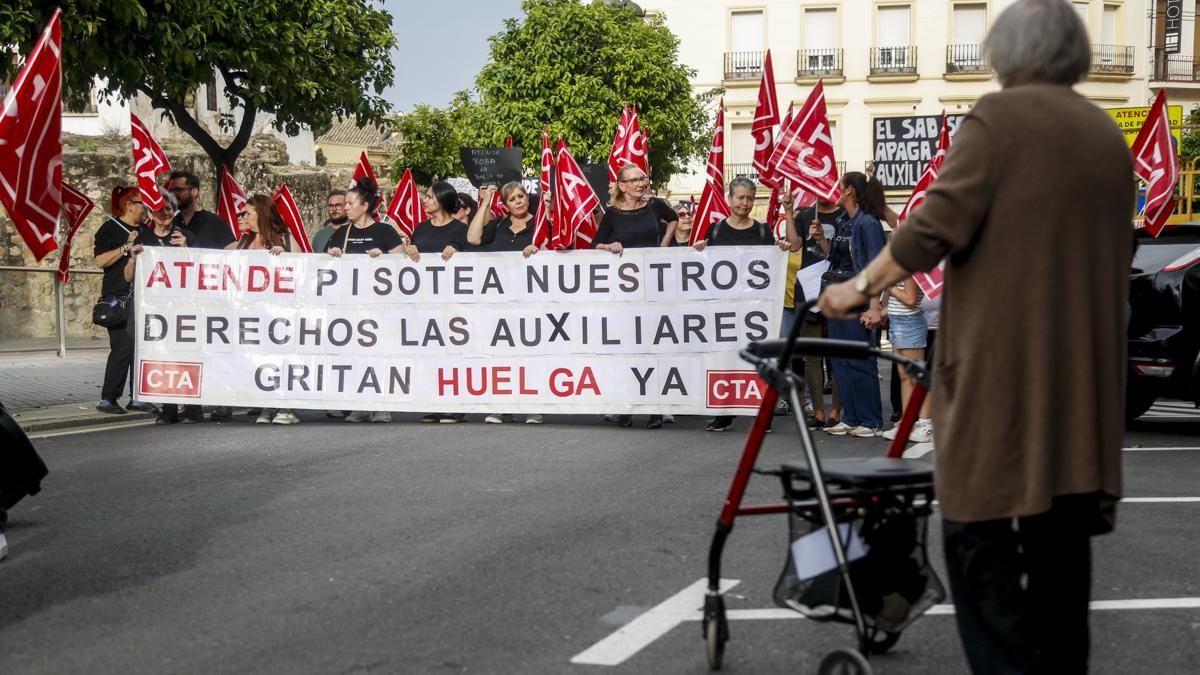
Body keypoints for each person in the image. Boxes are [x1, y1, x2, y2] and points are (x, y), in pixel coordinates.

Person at [819, 1, 1130, 672]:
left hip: (1005, 374)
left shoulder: (999, 119)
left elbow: (929, 232)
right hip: (1083, 382)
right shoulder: (1107, 136)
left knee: (976, 534)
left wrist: (854, 289)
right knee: (1060, 560)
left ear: (1009, 52)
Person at [694, 176, 790, 432]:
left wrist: (778, 248)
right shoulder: (714, 231)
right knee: (724, 360)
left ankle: (762, 414)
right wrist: (699, 250)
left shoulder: (762, 231)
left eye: (750, 198)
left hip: (754, 312)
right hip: (723, 311)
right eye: (740, 198)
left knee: (758, 361)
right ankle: (723, 414)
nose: (745, 203)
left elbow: (771, 267)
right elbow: (702, 269)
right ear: (729, 199)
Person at [595, 164, 679, 429]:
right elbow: (595, 243)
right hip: (626, 292)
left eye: (643, 178)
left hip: (655, 287)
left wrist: (664, 242)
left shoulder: (656, 206)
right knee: (628, 350)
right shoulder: (612, 214)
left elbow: (674, 218)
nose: (641, 183)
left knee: (654, 348)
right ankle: (627, 406)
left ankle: (656, 408)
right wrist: (609, 245)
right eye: (634, 180)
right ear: (621, 186)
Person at [810, 171, 887, 438]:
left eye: (839, 186)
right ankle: (851, 417)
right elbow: (834, 256)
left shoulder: (868, 223)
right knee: (840, 360)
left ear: (849, 191)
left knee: (860, 360)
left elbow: (877, 267)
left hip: (859, 299)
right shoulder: (845, 221)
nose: (834, 190)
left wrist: (874, 306)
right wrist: (821, 239)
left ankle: (871, 420)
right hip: (839, 298)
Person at [326, 178, 406, 423]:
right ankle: (360, 403)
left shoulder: (385, 232)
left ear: (365, 206)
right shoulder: (341, 234)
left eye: (350, 203)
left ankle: (382, 404)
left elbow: (403, 268)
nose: (345, 207)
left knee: (380, 355)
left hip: (380, 308)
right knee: (354, 356)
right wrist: (332, 256)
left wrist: (385, 260)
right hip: (350, 309)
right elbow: (322, 268)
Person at [469, 182, 544, 425]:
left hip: (531, 300)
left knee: (528, 355)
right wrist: (486, 203)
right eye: (512, 199)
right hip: (500, 302)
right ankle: (501, 405)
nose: (519, 201)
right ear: (506, 204)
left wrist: (539, 247)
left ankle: (533, 406)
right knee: (501, 355)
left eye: (521, 196)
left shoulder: (540, 223)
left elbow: (556, 247)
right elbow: (473, 238)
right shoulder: (500, 225)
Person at [225, 196, 302, 425]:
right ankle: (268, 404)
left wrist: (286, 258)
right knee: (261, 359)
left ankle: (287, 405)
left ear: (262, 214)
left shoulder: (286, 240)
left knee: (282, 358)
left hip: (280, 314)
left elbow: (303, 273)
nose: (243, 217)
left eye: (247, 212)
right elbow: (211, 260)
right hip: (250, 315)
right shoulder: (242, 243)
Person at [120, 189, 195, 423]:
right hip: (151, 310)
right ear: (150, 214)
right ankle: (169, 408)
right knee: (161, 357)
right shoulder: (141, 239)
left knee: (186, 356)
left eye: (169, 209)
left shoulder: (186, 236)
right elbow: (127, 277)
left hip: (180, 309)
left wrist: (186, 249)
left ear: (174, 212)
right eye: (159, 209)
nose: (164, 213)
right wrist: (132, 257)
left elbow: (199, 272)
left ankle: (193, 408)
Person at [167, 169, 236, 420]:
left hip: (211, 301)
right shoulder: (170, 223)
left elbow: (232, 255)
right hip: (180, 303)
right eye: (172, 190)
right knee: (184, 353)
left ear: (194, 192)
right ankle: (188, 403)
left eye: (179, 189)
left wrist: (194, 249)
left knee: (214, 354)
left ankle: (221, 400)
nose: (174, 194)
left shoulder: (214, 222)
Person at [402, 181, 471, 424]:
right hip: (425, 302)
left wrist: (458, 251)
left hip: (453, 303)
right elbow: (410, 257)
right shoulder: (420, 229)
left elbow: (475, 259)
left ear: (442, 200)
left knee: (452, 354)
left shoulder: (460, 230)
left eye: (430, 197)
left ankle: (454, 404)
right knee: (429, 353)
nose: (425, 200)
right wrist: (407, 250)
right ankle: (433, 401)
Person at [783, 196, 844, 429]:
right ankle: (818, 411)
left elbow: (837, 256)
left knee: (838, 352)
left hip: (836, 290)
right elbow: (795, 245)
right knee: (812, 356)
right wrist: (789, 212)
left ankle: (836, 411)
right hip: (806, 292)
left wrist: (821, 239)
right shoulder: (807, 214)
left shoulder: (843, 217)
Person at [92, 186, 145, 415]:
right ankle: (108, 398)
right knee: (122, 348)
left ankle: (138, 397)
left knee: (140, 349)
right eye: (144, 204)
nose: (147, 209)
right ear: (130, 204)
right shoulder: (110, 229)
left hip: (142, 298)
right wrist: (125, 248)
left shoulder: (145, 230)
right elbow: (100, 261)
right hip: (119, 297)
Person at [879, 276, 932, 442]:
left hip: (909, 322)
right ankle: (909, 422)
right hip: (898, 320)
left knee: (917, 377)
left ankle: (925, 424)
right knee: (904, 376)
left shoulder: (910, 264)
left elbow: (910, 298)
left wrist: (888, 285)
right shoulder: (903, 263)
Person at [311, 189, 347, 254]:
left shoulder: (354, 233)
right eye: (331, 206)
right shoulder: (320, 235)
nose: (334, 209)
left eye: (338, 205)